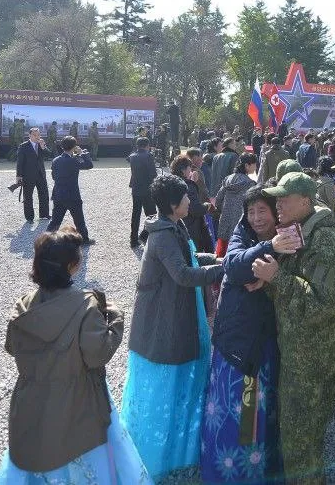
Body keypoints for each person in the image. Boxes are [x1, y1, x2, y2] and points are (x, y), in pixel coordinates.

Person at [0, 228, 145, 484]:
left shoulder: (23, 306)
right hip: (79, 402)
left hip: (32, 402)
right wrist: (116, 318)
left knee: (39, 461)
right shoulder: (86, 306)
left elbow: (11, 346)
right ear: (72, 266)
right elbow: (97, 355)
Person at [121, 175, 225, 478]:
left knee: (179, 376)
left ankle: (178, 443)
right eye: (185, 197)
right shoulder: (163, 234)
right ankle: (160, 448)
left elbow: (189, 257)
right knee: (167, 377)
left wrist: (214, 257)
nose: (190, 201)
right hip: (164, 314)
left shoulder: (172, 224)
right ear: (172, 205)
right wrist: (223, 268)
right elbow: (181, 273)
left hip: (176, 307)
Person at [257, 172, 335, 484]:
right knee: (306, 440)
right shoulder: (300, 233)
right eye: (278, 197)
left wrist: (277, 279)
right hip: (305, 353)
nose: (278, 204)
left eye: (285, 198)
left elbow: (326, 302)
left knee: (300, 444)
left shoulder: (323, 241)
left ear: (306, 201)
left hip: (312, 359)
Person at [202, 186, 297, 482]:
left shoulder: (292, 234)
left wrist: (269, 280)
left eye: (262, 211)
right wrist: (270, 248)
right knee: (234, 410)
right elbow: (234, 265)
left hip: (267, 340)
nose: (256, 218)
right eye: (251, 211)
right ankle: (228, 474)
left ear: (275, 211)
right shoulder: (242, 233)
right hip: (237, 339)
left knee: (261, 410)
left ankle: (261, 469)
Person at [47, 136, 94, 245]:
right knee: (79, 220)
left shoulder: (56, 160)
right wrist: (83, 153)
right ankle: (84, 240)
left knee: (55, 220)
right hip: (72, 195)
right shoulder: (73, 161)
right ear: (73, 147)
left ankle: (47, 240)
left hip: (58, 193)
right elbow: (89, 165)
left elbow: (54, 176)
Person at [214, 152, 258, 256]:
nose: (256, 166)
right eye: (254, 164)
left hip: (225, 221)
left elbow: (218, 200)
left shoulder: (228, 179)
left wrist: (223, 211)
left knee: (221, 255)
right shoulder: (250, 184)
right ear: (247, 165)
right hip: (240, 224)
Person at [171, 154, 213, 253]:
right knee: (193, 256)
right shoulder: (188, 186)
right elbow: (195, 209)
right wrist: (207, 206)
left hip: (175, 224)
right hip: (191, 227)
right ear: (183, 170)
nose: (190, 171)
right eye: (189, 168)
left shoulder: (171, 183)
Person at [15, 127, 50, 223]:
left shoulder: (41, 145)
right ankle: (29, 217)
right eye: (34, 135)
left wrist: (43, 147)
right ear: (29, 135)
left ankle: (44, 214)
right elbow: (20, 162)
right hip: (28, 175)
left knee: (44, 194)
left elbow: (49, 155)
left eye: (38, 135)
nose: (37, 137)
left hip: (41, 174)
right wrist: (18, 176)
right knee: (28, 196)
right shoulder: (23, 146)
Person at [128, 137, 157, 248]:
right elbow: (153, 174)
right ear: (147, 145)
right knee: (152, 214)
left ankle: (133, 239)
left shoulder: (132, 156)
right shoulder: (148, 156)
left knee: (136, 214)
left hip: (136, 189)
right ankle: (146, 236)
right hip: (147, 189)